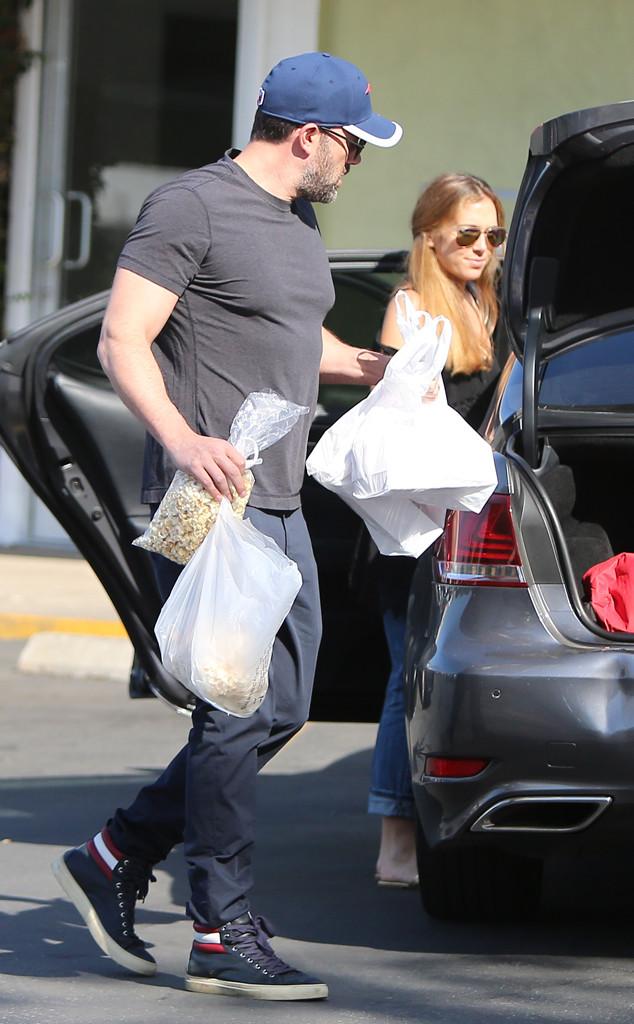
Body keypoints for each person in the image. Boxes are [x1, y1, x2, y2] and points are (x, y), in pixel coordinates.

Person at [51, 51, 402, 1001]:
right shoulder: (190, 207)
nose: (357, 161)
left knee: (282, 706)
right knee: (235, 708)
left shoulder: (297, 218)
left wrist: (370, 367)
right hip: (207, 503)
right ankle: (219, 927)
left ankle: (115, 851)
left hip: (280, 497)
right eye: (354, 146)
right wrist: (182, 437)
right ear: (309, 136)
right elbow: (122, 337)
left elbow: (290, 333)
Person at [369, 172, 506, 887]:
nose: (483, 248)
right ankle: (395, 839)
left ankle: (447, 823)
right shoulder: (410, 309)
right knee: (409, 678)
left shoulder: (491, 305)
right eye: (468, 234)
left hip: (473, 524)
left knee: (449, 676)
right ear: (430, 237)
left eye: (494, 235)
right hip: (415, 523)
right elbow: (403, 426)